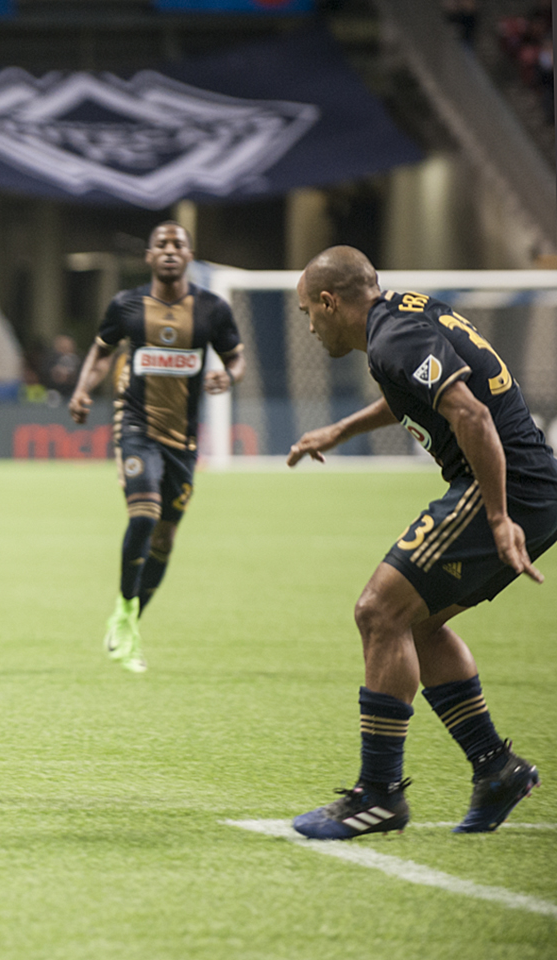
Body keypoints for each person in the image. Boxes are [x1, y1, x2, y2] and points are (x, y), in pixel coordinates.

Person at [287, 245, 556, 839]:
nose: (309, 327)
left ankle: (379, 795)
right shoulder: (403, 314)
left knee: (379, 611)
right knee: (417, 624)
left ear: (330, 302)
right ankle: (497, 769)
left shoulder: (392, 338)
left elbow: (472, 417)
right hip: (526, 485)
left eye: (308, 313)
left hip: (505, 484)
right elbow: (416, 392)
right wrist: (340, 429)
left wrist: (497, 516)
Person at [68, 222, 245, 673]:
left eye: (177, 244)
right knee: (144, 515)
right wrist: (83, 389)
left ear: (189, 255)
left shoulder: (212, 309)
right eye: (161, 244)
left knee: (165, 538)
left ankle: (129, 620)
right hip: (136, 426)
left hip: (183, 441)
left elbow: (236, 357)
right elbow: (102, 350)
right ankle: (124, 609)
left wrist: (230, 375)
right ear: (149, 257)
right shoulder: (126, 305)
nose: (169, 250)